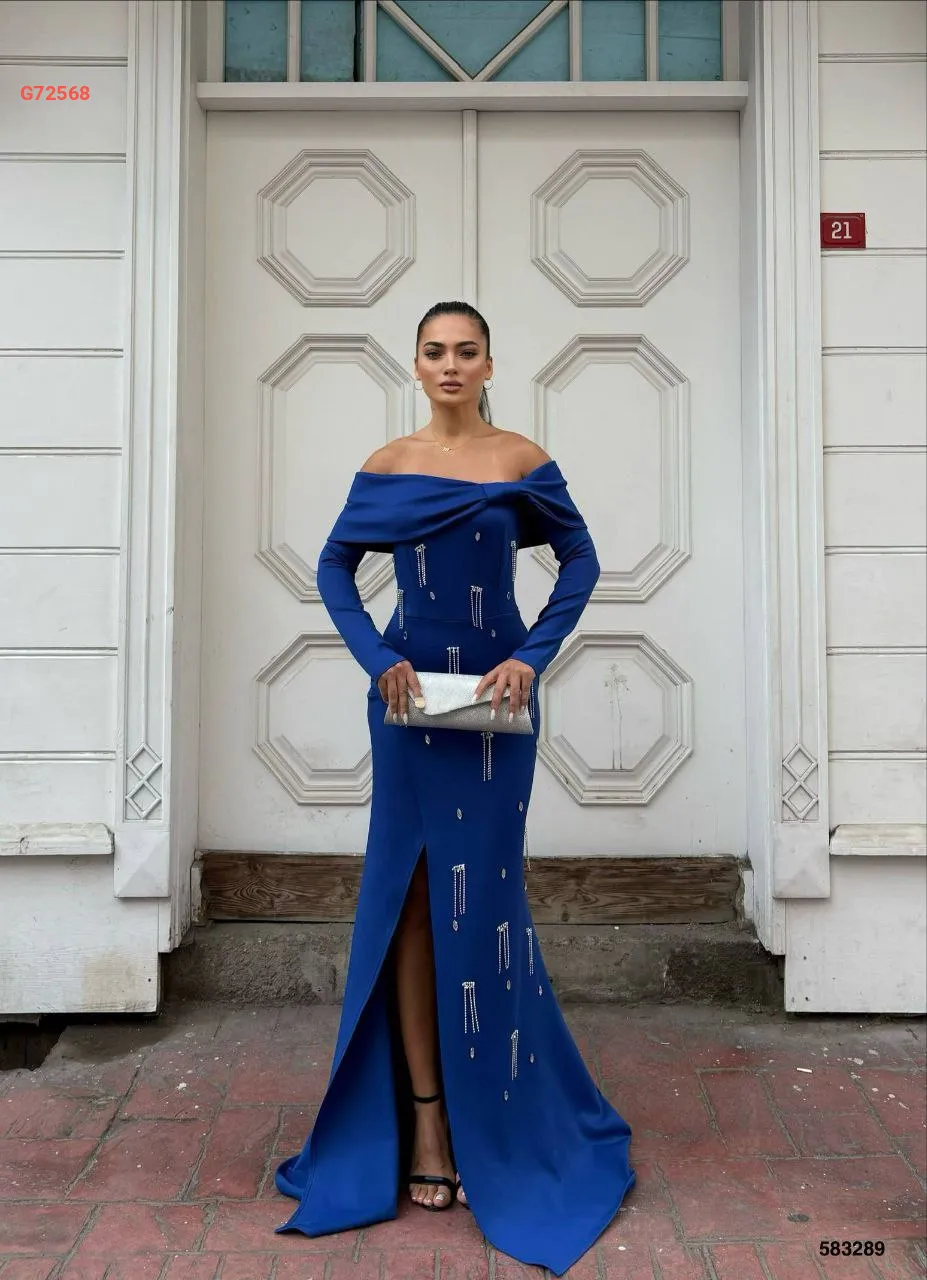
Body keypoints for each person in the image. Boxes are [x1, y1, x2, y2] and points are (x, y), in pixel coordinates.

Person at [274, 301, 635, 1276]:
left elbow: (581, 560)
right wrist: (374, 657)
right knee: (408, 904)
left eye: (465, 351)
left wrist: (532, 655)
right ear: (416, 363)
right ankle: (429, 1126)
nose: (449, 364)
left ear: (488, 363)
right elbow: (335, 566)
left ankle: (501, 1120)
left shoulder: (522, 460)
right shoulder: (388, 464)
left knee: (485, 908)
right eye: (434, 351)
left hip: (495, 705)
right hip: (407, 700)